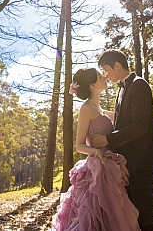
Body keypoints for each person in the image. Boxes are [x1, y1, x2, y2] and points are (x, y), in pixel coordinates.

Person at [51, 67, 141, 231]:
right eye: (100, 76)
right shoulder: (87, 108)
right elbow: (79, 145)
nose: (104, 77)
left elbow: (124, 119)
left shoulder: (99, 108)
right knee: (96, 215)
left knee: (113, 214)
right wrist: (96, 152)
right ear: (92, 85)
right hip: (98, 169)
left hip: (110, 166)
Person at [91, 49, 153, 231]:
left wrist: (108, 139)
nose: (106, 75)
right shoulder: (121, 89)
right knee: (136, 219)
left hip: (143, 162)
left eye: (106, 70)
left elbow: (140, 125)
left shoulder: (139, 85)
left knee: (147, 218)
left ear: (117, 65)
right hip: (129, 164)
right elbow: (121, 121)